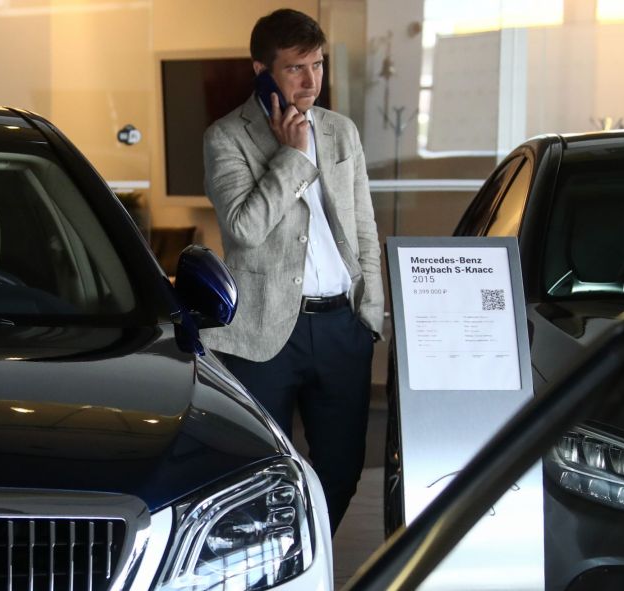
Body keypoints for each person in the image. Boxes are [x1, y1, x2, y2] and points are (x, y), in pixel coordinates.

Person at [200, 8, 384, 535]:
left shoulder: (341, 132)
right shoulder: (226, 137)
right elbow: (244, 229)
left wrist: (367, 314)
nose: (311, 81)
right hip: (260, 335)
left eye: (318, 66)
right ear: (261, 69)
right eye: (296, 69)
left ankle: (305, 558)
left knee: (343, 471)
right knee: (260, 476)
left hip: (340, 329)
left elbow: (365, 230)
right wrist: (294, 158)